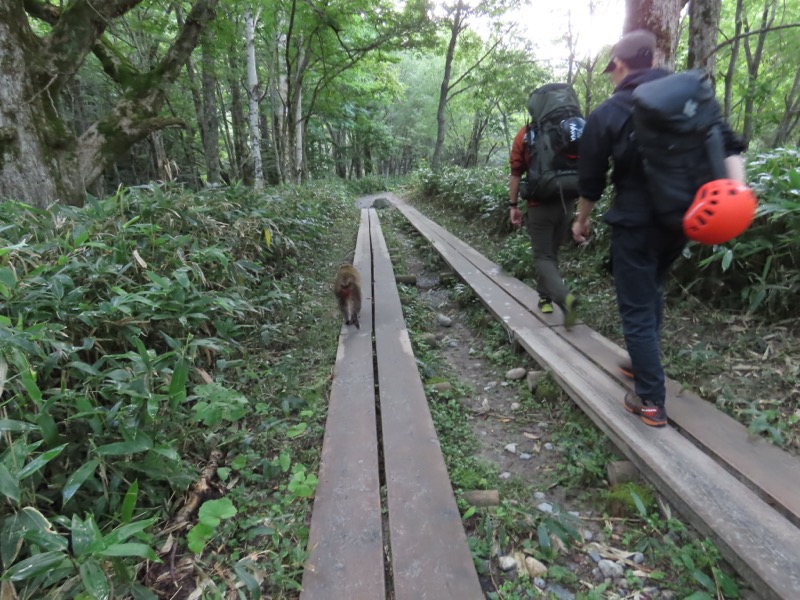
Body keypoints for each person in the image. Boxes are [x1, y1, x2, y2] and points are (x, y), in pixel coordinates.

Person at [572, 29, 746, 428]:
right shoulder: (689, 99)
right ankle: (640, 360)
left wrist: (581, 220)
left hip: (634, 224)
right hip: (683, 219)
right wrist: (737, 197)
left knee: (635, 306)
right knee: (651, 291)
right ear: (651, 58)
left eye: (610, 68)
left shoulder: (609, 112)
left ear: (618, 64)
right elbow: (728, 143)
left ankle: (650, 400)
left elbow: (591, 182)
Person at [509, 124, 579, 328]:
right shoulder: (571, 129)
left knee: (542, 256)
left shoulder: (526, 133)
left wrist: (513, 206)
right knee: (552, 254)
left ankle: (564, 297)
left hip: (539, 205)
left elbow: (515, 173)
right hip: (567, 203)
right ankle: (544, 298)